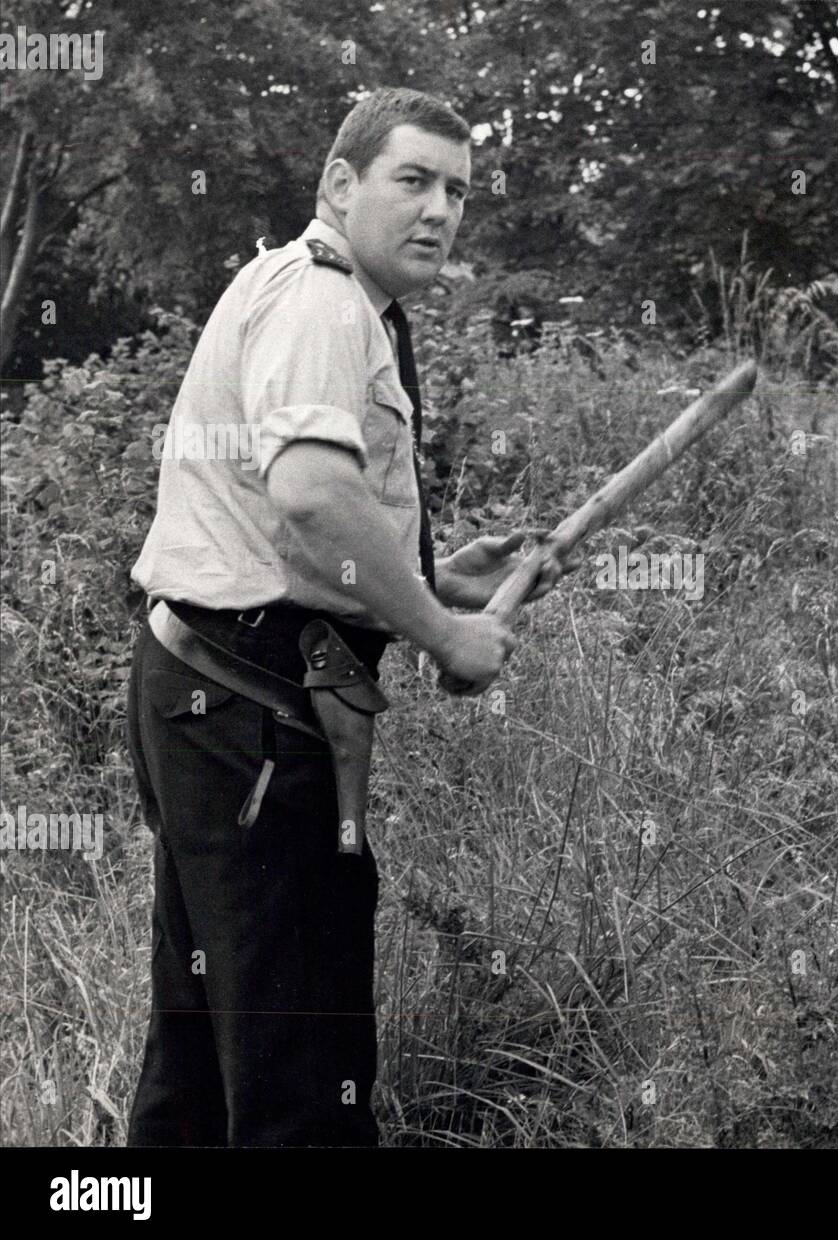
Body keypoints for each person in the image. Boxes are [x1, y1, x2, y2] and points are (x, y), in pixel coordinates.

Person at [124, 87, 575, 1146]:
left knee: (203, 1046)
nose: (439, 211)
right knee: (301, 1063)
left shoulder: (320, 297)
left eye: (457, 192)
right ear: (340, 183)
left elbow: (301, 523)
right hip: (253, 713)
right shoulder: (323, 300)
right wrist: (444, 633)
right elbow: (314, 494)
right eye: (411, 180)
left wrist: (434, 576)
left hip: (217, 699)